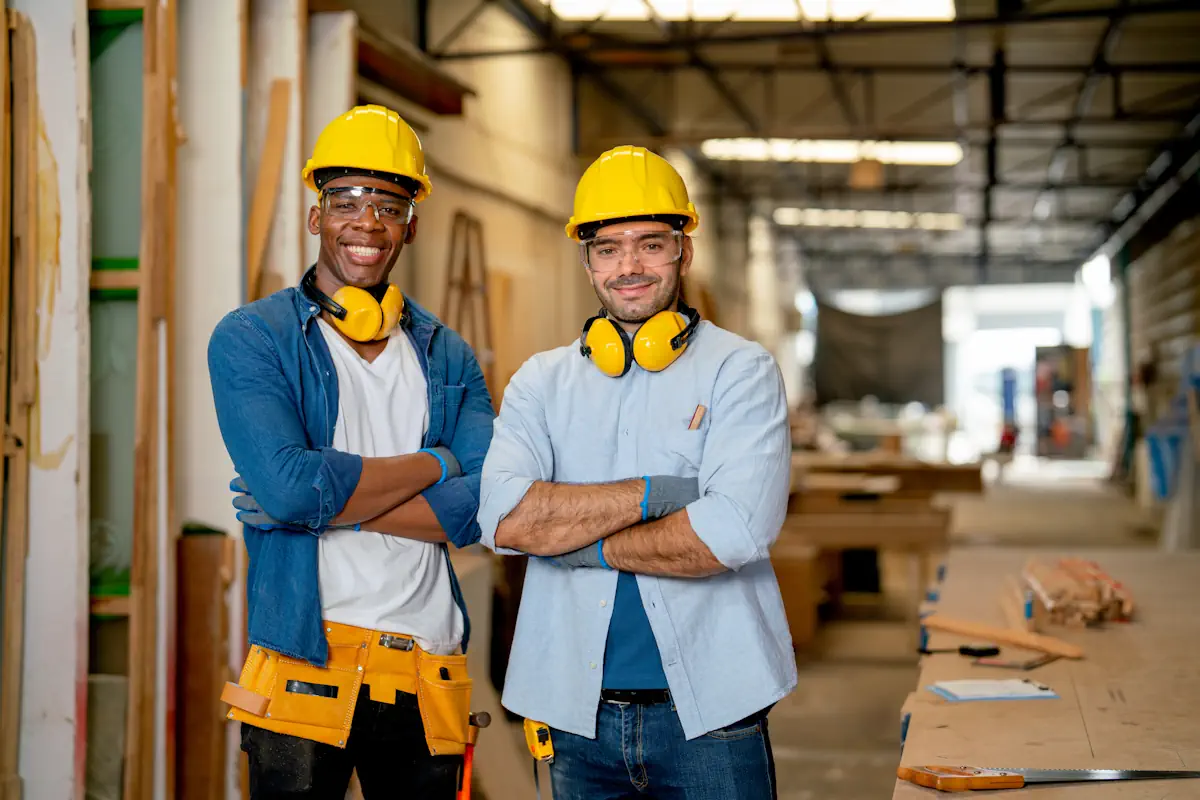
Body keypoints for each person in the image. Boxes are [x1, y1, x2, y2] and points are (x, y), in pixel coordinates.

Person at [477, 145, 796, 799]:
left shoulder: (739, 371)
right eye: (608, 247)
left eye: (650, 244)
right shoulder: (542, 382)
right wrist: (657, 495)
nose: (629, 266)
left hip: (713, 713)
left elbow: (729, 534)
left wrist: (578, 544)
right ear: (587, 260)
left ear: (684, 251)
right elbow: (505, 521)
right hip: (577, 719)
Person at [208, 104, 494, 799]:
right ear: (316, 217)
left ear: (410, 226)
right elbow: (285, 489)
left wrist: (328, 503)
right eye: (346, 201)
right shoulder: (254, 337)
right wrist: (437, 464)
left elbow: (487, 503)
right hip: (306, 663)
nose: (366, 223)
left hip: (427, 667)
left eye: (388, 205)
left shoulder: (446, 354)